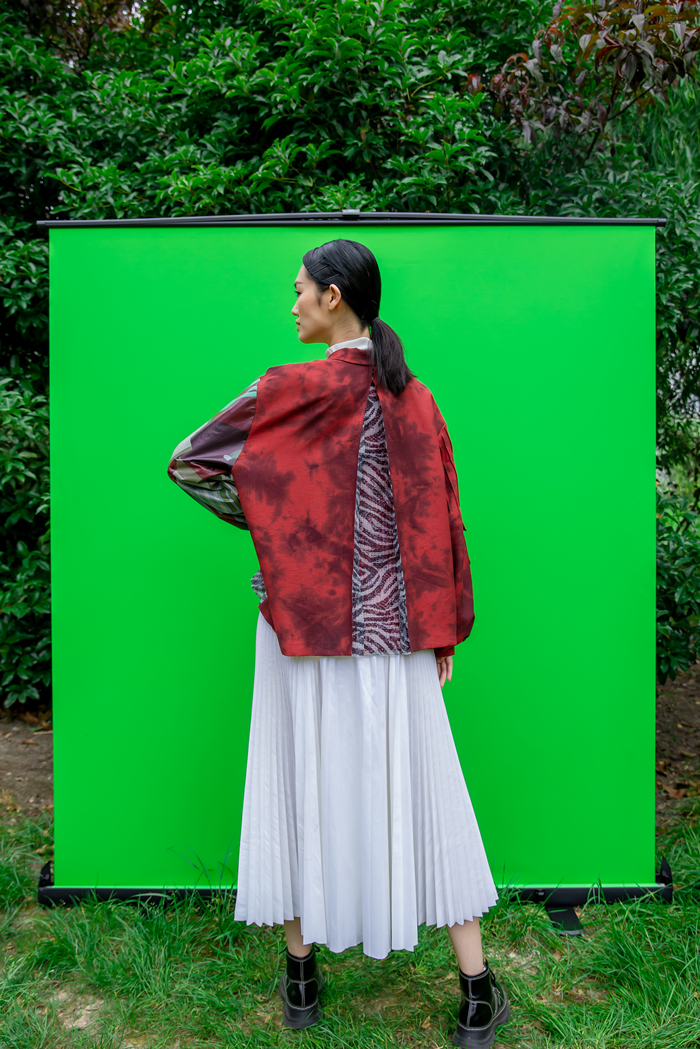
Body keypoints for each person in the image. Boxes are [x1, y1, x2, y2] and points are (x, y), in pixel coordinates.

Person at [168, 239, 510, 1048]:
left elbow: (191, 464)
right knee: (427, 791)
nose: (291, 304)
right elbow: (445, 518)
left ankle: (300, 981)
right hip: (399, 635)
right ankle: (476, 991)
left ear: (332, 296)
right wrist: (447, 626)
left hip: (303, 627)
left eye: (299, 290)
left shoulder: (283, 391)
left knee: (299, 782)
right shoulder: (416, 399)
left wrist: (281, 535)